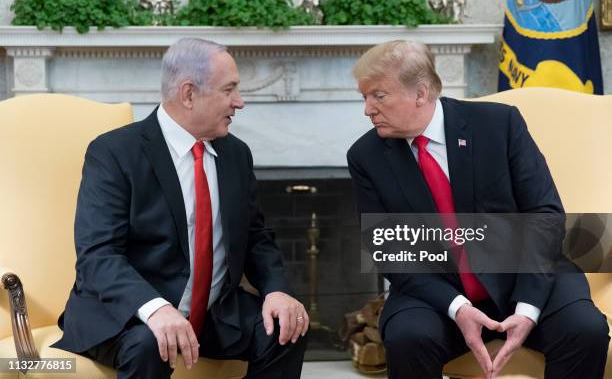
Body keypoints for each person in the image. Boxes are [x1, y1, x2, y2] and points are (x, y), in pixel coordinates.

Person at [346, 40, 609, 378]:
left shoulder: (499, 124)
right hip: (437, 290)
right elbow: (388, 249)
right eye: (364, 97)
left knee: (584, 330)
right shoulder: (365, 156)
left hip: (525, 276)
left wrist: (528, 309)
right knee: (408, 338)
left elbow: (544, 214)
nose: (368, 109)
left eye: (378, 96)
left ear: (420, 93)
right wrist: (457, 308)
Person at [52, 38, 309, 379]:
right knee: (151, 343)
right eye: (229, 90)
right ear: (189, 94)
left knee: (287, 330)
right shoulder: (115, 153)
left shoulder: (236, 154)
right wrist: (156, 309)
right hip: (129, 314)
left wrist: (276, 290)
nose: (240, 102)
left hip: (215, 313)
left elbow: (254, 236)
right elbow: (98, 255)